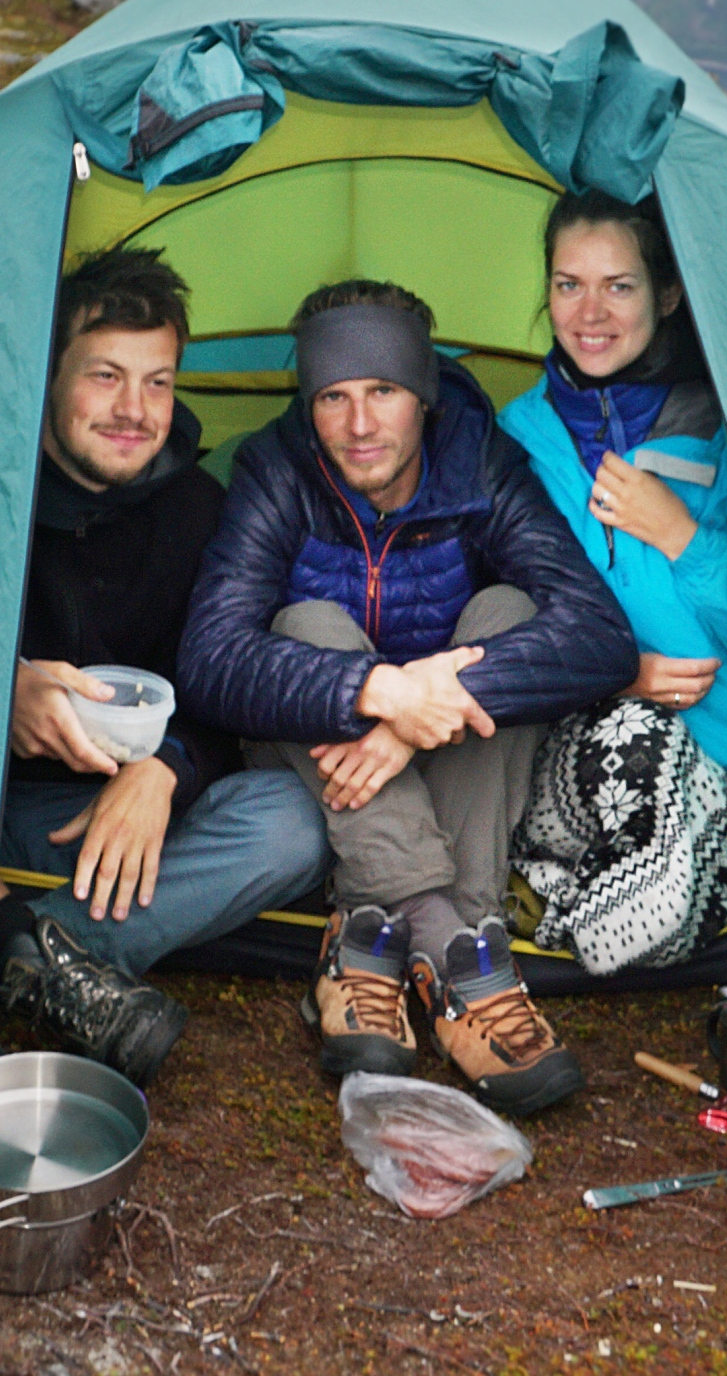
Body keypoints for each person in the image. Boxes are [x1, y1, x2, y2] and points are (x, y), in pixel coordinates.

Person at [179, 279, 633, 1116]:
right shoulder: (277, 471)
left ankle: (366, 939)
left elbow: (599, 636)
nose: (359, 425)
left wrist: (423, 709)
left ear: (422, 395)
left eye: (383, 391)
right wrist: (373, 689)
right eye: (333, 397)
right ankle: (463, 956)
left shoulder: (482, 467)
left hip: (425, 751)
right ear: (307, 404)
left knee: (508, 618)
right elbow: (209, 658)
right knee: (309, 621)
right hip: (316, 742)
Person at [0, 245, 332, 1083]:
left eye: (157, 381)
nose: (134, 410)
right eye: (105, 376)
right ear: (47, 373)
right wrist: (1, 693)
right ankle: (26, 949)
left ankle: (15, 952)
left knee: (295, 819)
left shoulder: (199, 511)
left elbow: (227, 685)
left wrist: (167, 771)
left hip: (136, 829)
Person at [493, 192, 727, 974]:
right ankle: (605, 885)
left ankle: (557, 897)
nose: (589, 311)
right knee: (634, 741)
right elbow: (504, 619)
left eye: (619, 284)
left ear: (667, 293)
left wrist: (681, 535)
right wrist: (621, 677)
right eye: (568, 283)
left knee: (648, 914)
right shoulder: (517, 436)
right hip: (594, 752)